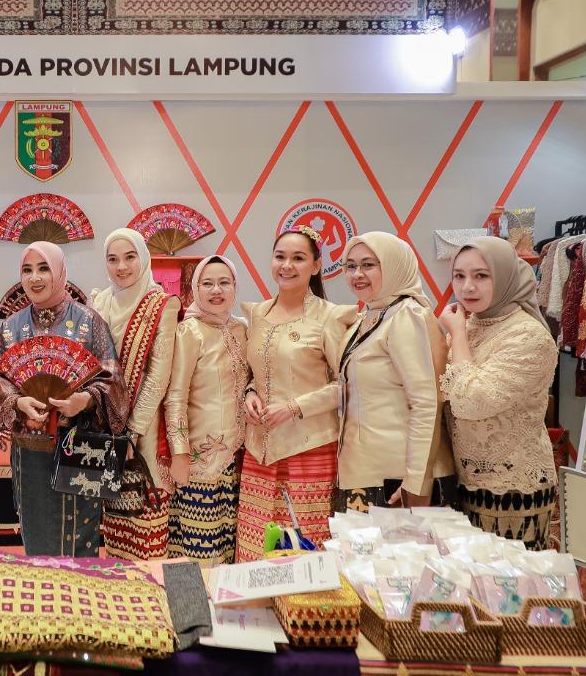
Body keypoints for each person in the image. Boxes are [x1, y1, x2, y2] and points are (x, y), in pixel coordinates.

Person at [0, 241, 124, 557]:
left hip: (80, 447)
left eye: (43, 268)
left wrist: (85, 400)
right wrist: (17, 402)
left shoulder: (90, 322)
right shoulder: (11, 328)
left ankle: (79, 590)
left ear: (60, 271)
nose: (34, 278)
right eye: (27, 270)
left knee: (80, 535)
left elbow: (113, 380)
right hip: (29, 452)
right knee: (37, 534)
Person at [240, 227, 357, 558]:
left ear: (316, 266)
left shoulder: (329, 317)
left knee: (303, 553)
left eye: (298, 258)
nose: (287, 265)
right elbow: (257, 372)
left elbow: (347, 385)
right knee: (255, 550)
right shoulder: (258, 314)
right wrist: (250, 393)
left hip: (309, 449)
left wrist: (294, 407)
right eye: (280, 257)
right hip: (259, 450)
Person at [437, 237, 559, 550]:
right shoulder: (472, 324)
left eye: (481, 275)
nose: (467, 287)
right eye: (459, 276)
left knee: (510, 580)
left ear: (504, 275)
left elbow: (470, 401)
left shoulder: (528, 335)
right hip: (463, 482)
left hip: (513, 492)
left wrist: (457, 335)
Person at [334, 232, 454, 510]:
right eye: (350, 266)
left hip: (396, 480)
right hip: (366, 471)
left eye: (368, 264)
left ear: (394, 265)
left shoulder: (407, 315)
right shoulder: (370, 317)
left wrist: (416, 482)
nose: (357, 274)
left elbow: (426, 403)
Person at [91, 227, 179, 561]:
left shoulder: (161, 304)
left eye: (130, 257)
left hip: (144, 427)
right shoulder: (100, 300)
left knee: (146, 514)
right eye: (113, 259)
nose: (122, 267)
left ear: (143, 258)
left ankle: (152, 588)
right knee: (114, 520)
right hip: (104, 425)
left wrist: (131, 431)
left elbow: (158, 375)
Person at [163, 255, 248, 561]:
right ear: (196, 288)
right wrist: (180, 453)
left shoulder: (242, 329)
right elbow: (176, 396)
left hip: (237, 460)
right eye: (207, 283)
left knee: (230, 551)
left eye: (224, 282)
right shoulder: (190, 331)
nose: (216, 290)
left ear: (235, 286)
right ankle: (191, 597)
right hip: (199, 462)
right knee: (199, 553)